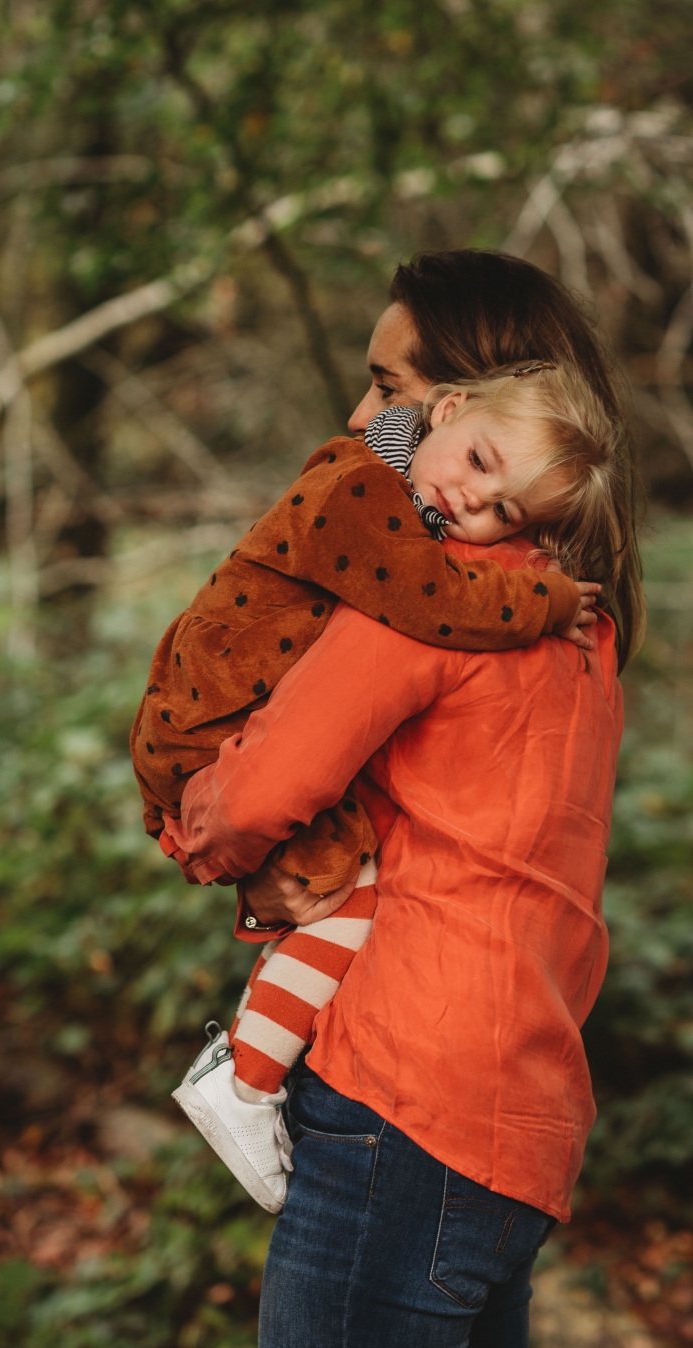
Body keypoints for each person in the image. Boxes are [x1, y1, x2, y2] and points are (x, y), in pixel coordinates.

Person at [159, 250, 644, 1347]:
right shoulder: (585, 628)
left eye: (387, 389)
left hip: (401, 1100)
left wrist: (194, 824)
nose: (359, 414)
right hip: (524, 1127)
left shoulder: (421, 598)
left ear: (461, 399)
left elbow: (259, 794)